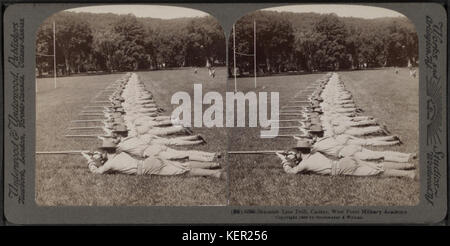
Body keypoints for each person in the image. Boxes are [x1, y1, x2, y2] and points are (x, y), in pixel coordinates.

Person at [81, 140, 225, 179]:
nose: (96, 156)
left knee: (183, 171)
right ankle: (213, 164)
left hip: (148, 167)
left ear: (104, 154)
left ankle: (215, 173)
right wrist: (96, 154)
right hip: (150, 160)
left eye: (98, 154)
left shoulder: (110, 164)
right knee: (183, 163)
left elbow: (97, 172)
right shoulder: (120, 152)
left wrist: (89, 160)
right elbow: (107, 152)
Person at [275, 143, 416, 179]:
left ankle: (409, 174)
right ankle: (408, 165)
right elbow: (304, 154)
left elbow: (292, 172)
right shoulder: (315, 152)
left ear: (299, 154)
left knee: (377, 172)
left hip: (342, 169)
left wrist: (284, 161)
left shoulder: (304, 164)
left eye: (294, 154)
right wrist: (292, 155)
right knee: (378, 164)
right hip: (346, 160)